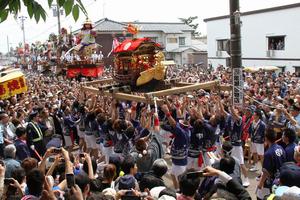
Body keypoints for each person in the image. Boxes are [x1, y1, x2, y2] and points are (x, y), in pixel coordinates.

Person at [161, 104, 190, 190]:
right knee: (172, 174)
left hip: (179, 164)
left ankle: (181, 193)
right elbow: (178, 120)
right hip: (176, 161)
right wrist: (178, 108)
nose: (177, 124)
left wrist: (167, 112)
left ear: (181, 127)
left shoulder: (182, 134)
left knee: (182, 182)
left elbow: (174, 124)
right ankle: (177, 190)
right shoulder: (185, 130)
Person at [257, 129, 286, 200]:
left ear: (266, 138)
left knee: (263, 197)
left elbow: (266, 171)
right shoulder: (281, 148)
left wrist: (260, 183)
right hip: (281, 178)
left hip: (272, 181)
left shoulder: (268, 153)